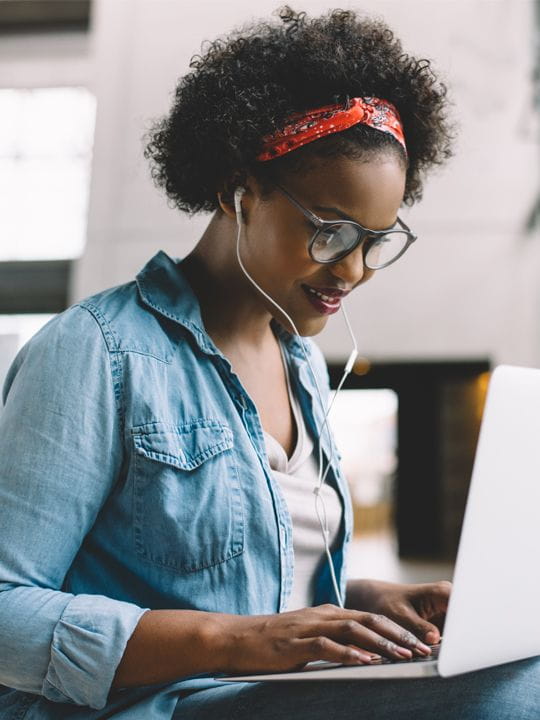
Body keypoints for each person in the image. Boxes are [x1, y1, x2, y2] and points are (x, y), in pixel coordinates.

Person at [0, 6, 538, 719]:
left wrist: (371, 605)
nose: (354, 270)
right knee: (510, 699)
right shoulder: (95, 353)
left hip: (272, 697)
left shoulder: (303, 367)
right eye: (328, 232)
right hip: (165, 705)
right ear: (237, 192)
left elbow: (264, 581)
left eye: (376, 240)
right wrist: (238, 640)